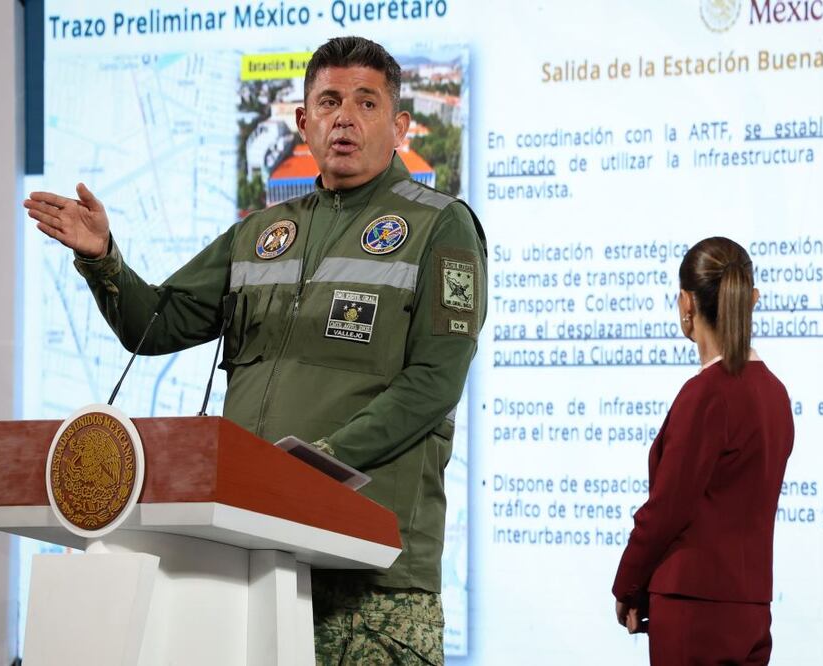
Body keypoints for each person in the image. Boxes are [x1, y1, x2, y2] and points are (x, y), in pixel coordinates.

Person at [24, 36, 486, 665]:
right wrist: (102, 258)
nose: (344, 117)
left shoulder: (440, 225)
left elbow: (433, 384)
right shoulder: (263, 232)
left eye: (367, 103)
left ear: (400, 125)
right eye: (328, 101)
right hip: (251, 565)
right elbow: (154, 325)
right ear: (303, 121)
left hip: (371, 581)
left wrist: (316, 463)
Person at [612, 237, 793, 665]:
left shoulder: (705, 396)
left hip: (694, 613)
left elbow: (666, 511)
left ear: (685, 303)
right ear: (750, 299)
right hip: (751, 612)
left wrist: (627, 585)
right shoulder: (775, 394)